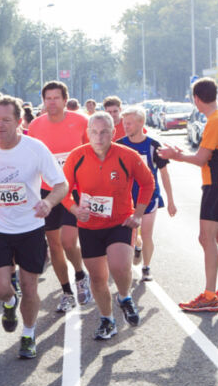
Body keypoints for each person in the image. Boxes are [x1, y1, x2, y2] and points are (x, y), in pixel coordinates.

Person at [0, 96, 69, 358]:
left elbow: (61, 184)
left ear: (19, 121)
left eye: (5, 120)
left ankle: (28, 334)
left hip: (30, 227)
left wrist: (48, 202)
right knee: (0, 288)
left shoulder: (35, 148)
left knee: (30, 285)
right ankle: (11, 302)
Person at [64, 113, 155, 340]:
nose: (99, 137)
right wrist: (75, 210)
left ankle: (124, 297)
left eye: (104, 131)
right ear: (87, 132)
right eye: (94, 131)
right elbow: (62, 189)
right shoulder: (77, 156)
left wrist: (138, 214)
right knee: (97, 278)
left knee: (120, 266)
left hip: (120, 222)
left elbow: (148, 183)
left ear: (114, 133)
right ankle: (108, 320)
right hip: (89, 225)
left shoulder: (128, 155)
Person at [162, 78, 218, 312]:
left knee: (206, 238)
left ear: (196, 99)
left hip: (216, 184)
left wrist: (174, 156)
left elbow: (200, 159)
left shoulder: (215, 120)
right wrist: (182, 154)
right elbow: (209, 154)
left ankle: (209, 295)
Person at [24, 82, 93, 310]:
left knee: (68, 241)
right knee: (54, 246)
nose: (52, 102)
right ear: (43, 101)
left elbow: (91, 151)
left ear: (65, 100)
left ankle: (80, 275)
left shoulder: (81, 121)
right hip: (47, 192)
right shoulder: (35, 125)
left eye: (56, 98)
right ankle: (66, 291)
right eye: (48, 98)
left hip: (73, 190)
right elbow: (31, 159)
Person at [116, 107, 176, 281]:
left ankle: (146, 267)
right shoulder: (119, 145)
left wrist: (171, 201)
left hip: (149, 197)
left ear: (141, 123)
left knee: (147, 233)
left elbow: (164, 174)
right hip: (127, 199)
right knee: (132, 235)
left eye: (129, 123)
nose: (125, 127)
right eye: (124, 123)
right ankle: (137, 247)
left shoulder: (153, 146)